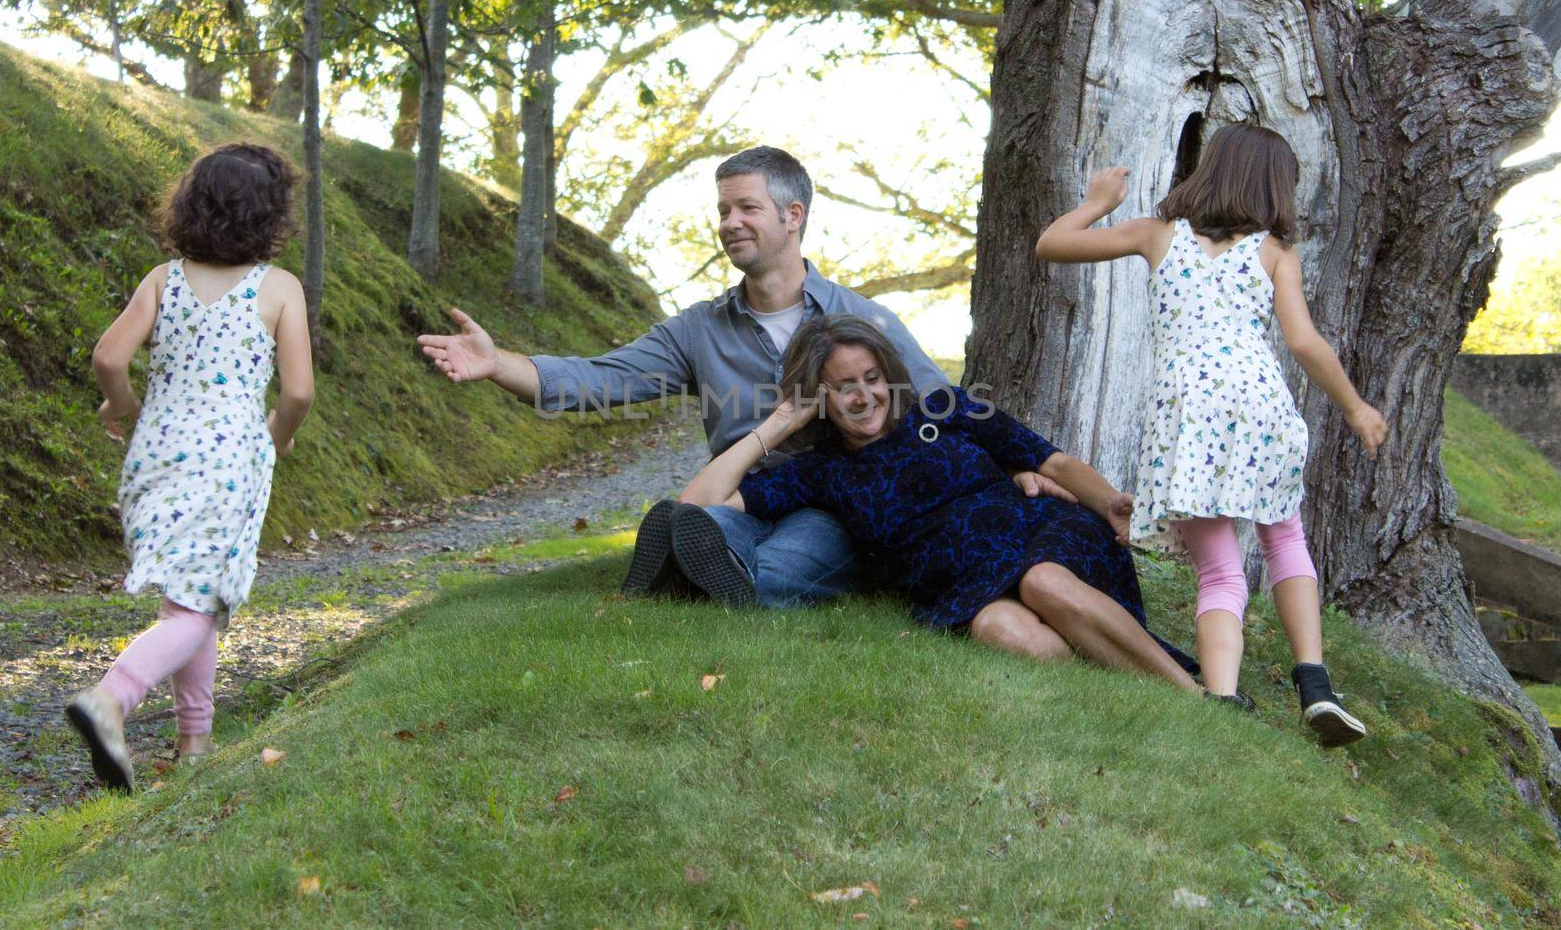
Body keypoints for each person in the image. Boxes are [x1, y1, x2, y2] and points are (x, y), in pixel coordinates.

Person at [418, 146, 1075, 615]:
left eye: (746, 208)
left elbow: (942, 408)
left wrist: (1014, 468)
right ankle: (690, 555)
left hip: (836, 498)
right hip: (742, 488)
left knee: (791, 554)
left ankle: (705, 580)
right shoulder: (700, 330)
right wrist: (496, 361)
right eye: (724, 209)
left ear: (793, 216)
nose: (729, 222)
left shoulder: (862, 319)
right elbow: (600, 378)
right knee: (708, 526)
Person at [1035, 123, 1387, 746]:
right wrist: (1356, 407)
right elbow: (1303, 343)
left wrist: (1095, 204)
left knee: (1220, 572)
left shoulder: (1156, 234)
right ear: (1275, 188)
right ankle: (1316, 686)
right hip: (1261, 410)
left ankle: (1222, 701)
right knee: (1285, 541)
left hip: (1185, 419)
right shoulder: (1275, 252)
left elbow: (1052, 245)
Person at [675, 313, 1199, 687]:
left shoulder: (942, 408)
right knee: (999, 630)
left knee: (1043, 581)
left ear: (889, 375)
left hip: (1039, 531)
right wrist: (779, 423)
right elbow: (694, 507)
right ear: (818, 397)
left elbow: (1051, 463)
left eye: (872, 378)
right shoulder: (822, 472)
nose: (865, 396)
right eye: (843, 387)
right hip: (968, 584)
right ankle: (1122, 665)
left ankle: (1194, 695)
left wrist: (1108, 502)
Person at [65, 143, 315, 790]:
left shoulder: (162, 279)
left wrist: (120, 405)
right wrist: (278, 435)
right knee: (196, 609)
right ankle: (110, 699)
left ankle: (194, 741)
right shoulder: (279, 289)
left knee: (191, 597)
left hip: (156, 454)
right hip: (228, 459)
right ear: (272, 217)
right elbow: (298, 393)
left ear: (191, 205)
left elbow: (109, 358)